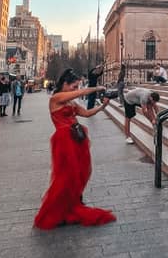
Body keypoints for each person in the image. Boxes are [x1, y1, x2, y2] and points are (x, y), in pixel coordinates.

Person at [33, 69, 115, 229]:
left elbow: (86, 113)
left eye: (77, 87)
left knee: (78, 173)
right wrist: (96, 88)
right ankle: (58, 209)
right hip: (64, 141)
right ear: (65, 83)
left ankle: (72, 201)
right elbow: (80, 94)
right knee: (65, 175)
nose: (75, 90)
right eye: (74, 86)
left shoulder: (71, 102)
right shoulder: (56, 98)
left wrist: (102, 107)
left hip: (76, 138)